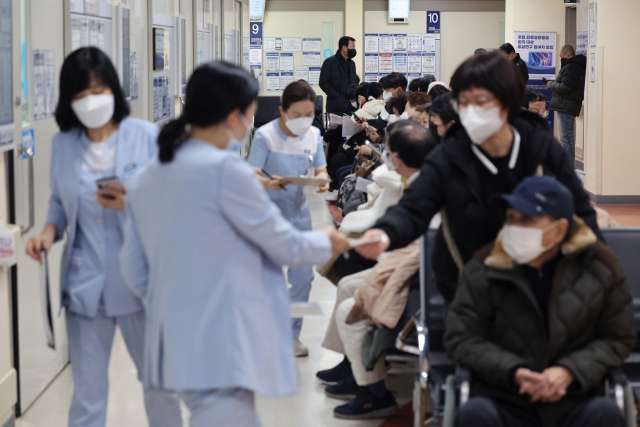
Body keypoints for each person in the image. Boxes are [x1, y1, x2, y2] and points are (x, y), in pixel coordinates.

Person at [119, 61, 350, 427]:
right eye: (250, 115)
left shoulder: (149, 174)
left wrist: (174, 302)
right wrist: (330, 239)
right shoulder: (227, 173)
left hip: (167, 340)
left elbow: (132, 270)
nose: (250, 125)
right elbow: (285, 247)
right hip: (220, 342)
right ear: (233, 116)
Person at [355, 51, 600, 303]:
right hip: (466, 285)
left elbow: (581, 213)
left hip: (537, 284)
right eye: (463, 102)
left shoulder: (541, 149)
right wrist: (385, 232)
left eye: (481, 101)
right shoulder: (450, 153)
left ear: (507, 101)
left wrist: (590, 277)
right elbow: (415, 205)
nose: (471, 111)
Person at [24, 47, 181, 427]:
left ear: (113, 88)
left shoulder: (145, 137)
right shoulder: (63, 145)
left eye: (99, 90)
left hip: (139, 285)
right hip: (85, 284)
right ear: (69, 100)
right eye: (81, 95)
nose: (91, 101)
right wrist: (48, 231)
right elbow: (59, 203)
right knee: (87, 397)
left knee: (159, 386)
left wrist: (131, 204)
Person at [446, 176, 636, 427]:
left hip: (574, 400)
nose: (514, 227)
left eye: (527, 220)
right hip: (504, 398)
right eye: (511, 218)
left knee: (606, 413)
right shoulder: (486, 265)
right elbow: (461, 337)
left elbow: (618, 337)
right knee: (475, 414)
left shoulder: (600, 266)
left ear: (559, 230)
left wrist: (569, 371)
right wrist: (513, 372)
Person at [318, 122, 438, 419]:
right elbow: (401, 217)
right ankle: (353, 365)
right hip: (412, 260)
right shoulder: (417, 182)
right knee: (347, 282)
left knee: (350, 299)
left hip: (424, 274)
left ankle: (373, 390)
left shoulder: (431, 183)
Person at [248, 80, 330, 357]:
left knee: (304, 279)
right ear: (283, 111)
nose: (303, 121)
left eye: (309, 115)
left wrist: (322, 181)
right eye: (297, 115)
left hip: (299, 215)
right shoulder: (265, 135)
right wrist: (269, 184)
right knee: (267, 279)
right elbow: (252, 175)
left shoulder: (314, 135)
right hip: (268, 215)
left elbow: (321, 169)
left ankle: (291, 334)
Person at [548, 45, 586, 167]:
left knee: (566, 139)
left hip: (565, 106)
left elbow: (565, 87)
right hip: (568, 105)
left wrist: (552, 85)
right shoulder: (576, 65)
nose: (561, 59)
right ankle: (569, 166)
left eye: (561, 57)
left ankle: (568, 167)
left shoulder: (571, 67)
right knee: (568, 138)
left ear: (567, 55)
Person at [319, 36, 359, 114]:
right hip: (335, 107)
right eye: (352, 46)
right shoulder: (329, 62)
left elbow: (354, 82)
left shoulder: (352, 63)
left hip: (351, 107)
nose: (354, 49)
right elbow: (323, 83)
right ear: (344, 48)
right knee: (336, 126)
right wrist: (337, 96)